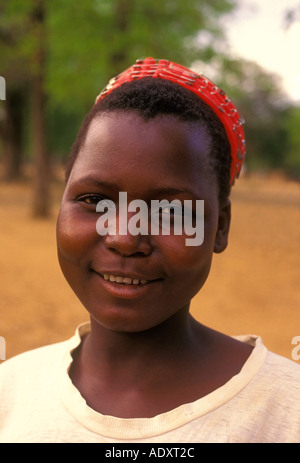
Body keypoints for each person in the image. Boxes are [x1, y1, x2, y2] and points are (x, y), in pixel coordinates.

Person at [0, 58, 299, 443]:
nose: (124, 238)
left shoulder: (285, 414)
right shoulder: (11, 396)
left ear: (220, 226)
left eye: (170, 212)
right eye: (95, 200)